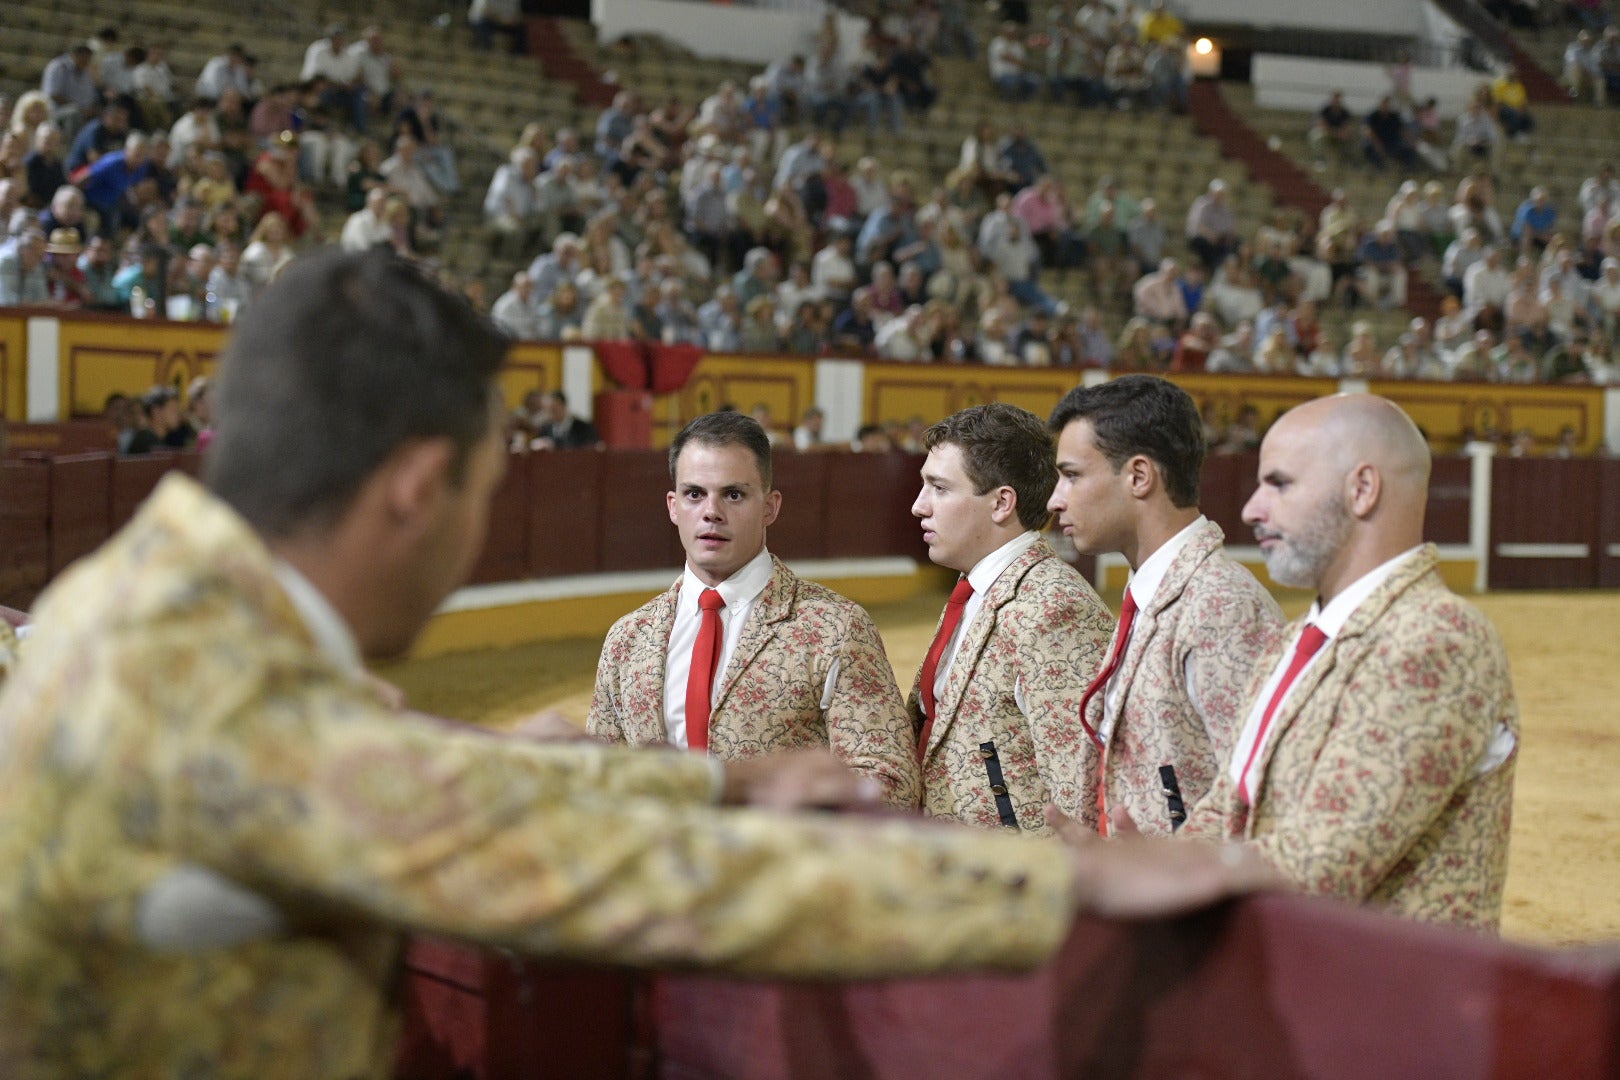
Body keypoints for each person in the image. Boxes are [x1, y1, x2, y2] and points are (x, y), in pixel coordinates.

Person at [0, 247, 1280, 1073]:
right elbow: (616, 871)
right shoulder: (220, 692)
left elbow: (414, 783)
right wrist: (1050, 887)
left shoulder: (133, 608)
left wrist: (711, 779)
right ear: (415, 490)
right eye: (482, 500)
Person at [1179, 394, 1518, 931]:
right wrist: (1160, 860)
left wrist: (1158, 876)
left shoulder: (1437, 636)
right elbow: (1229, 805)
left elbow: (1324, 865)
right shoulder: (1294, 641)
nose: (1251, 509)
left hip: (1391, 984)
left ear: (1362, 490)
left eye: (1280, 484)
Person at [589, 411, 919, 805]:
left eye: (734, 495)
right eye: (694, 494)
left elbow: (889, 781)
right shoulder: (627, 640)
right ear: (673, 507)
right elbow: (595, 782)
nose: (711, 511)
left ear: (770, 507)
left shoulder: (835, 628)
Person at [1045, 377, 1281, 836]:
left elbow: (1262, 803)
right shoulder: (1155, 594)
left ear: (1139, 476)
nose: (1056, 499)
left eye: (1072, 475)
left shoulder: (1221, 606)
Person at [908, 403, 1113, 833]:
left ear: (1001, 503)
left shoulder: (1056, 609)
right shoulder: (978, 589)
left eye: (939, 488)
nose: (918, 507)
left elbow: (1081, 793)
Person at [530, 390, 599, 450]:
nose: (550, 413)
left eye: (553, 408)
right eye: (547, 410)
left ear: (563, 406)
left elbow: (590, 447)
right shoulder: (545, 429)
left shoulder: (583, 428)